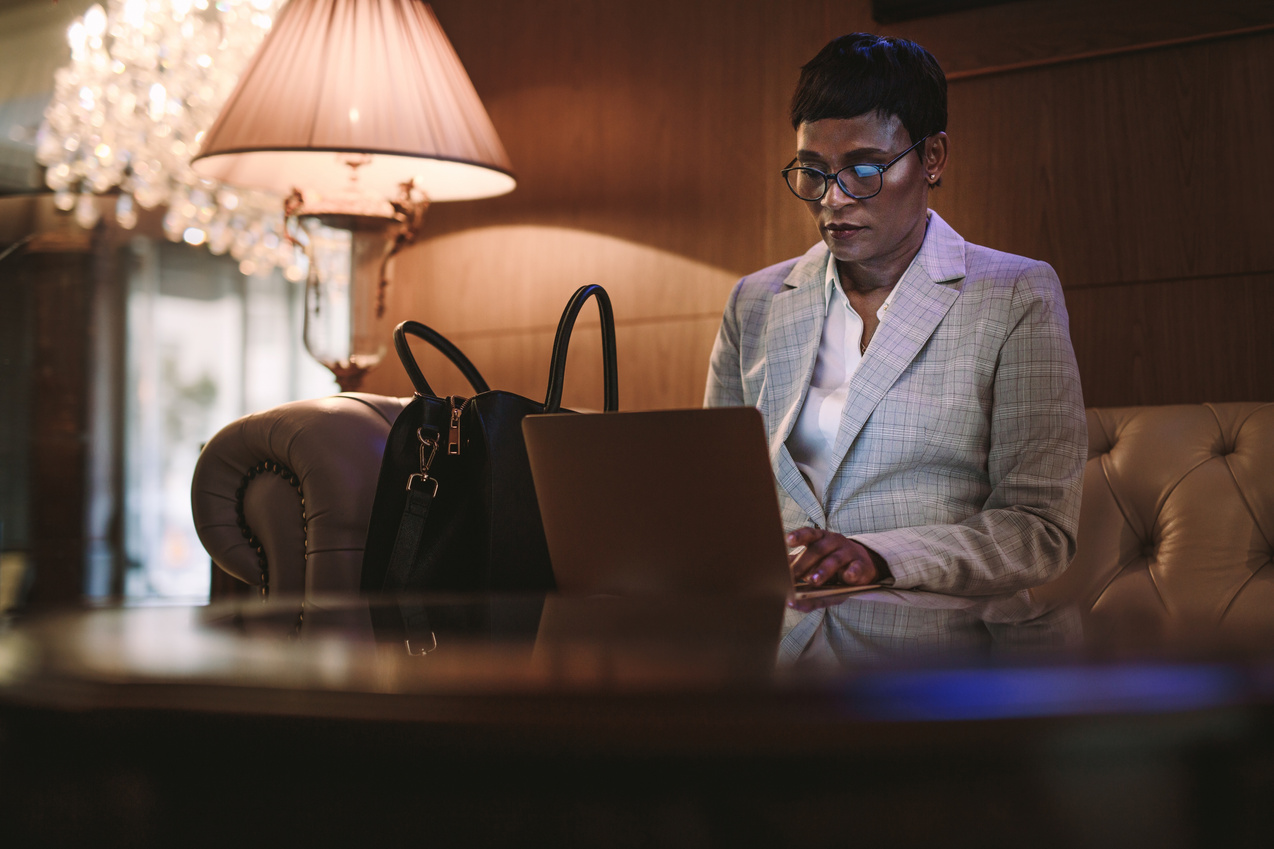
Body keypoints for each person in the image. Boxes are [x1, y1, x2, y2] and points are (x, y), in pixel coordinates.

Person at [704, 33, 1086, 661]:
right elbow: (716, 499)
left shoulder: (1015, 294)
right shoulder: (756, 300)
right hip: (776, 654)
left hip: (944, 655)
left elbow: (1038, 531)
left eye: (863, 169)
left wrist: (879, 556)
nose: (833, 198)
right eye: (814, 172)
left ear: (932, 157)